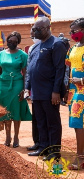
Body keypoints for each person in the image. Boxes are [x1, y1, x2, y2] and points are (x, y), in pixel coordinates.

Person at [26, 17, 66, 161]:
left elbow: (60, 69)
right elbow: (31, 70)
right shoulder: (36, 47)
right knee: (41, 122)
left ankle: (54, 151)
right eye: (34, 29)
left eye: (38, 29)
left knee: (52, 123)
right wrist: (28, 89)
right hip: (37, 93)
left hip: (50, 93)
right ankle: (43, 147)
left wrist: (56, 91)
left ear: (48, 27)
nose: (35, 31)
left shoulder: (57, 44)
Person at [0, 31, 32, 148]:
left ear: (18, 42)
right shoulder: (0, 54)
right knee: (5, 109)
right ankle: (7, 137)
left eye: (15, 42)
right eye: (10, 41)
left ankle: (16, 136)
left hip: (17, 84)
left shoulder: (23, 55)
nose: (12, 43)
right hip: (4, 84)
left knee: (16, 110)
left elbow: (26, 73)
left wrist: (25, 89)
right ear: (7, 41)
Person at [66, 17, 84, 170]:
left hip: (83, 90)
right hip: (74, 91)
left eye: (75, 30)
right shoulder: (72, 49)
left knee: (80, 124)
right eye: (71, 31)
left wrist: (82, 80)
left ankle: (80, 158)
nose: (72, 34)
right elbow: (69, 68)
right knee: (76, 124)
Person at [26, 29, 40, 152]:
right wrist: (27, 88)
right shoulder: (32, 48)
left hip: (47, 91)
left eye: (34, 34)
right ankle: (37, 143)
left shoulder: (53, 45)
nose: (33, 36)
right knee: (36, 118)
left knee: (46, 120)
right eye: (31, 35)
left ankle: (48, 146)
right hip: (34, 90)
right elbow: (29, 70)